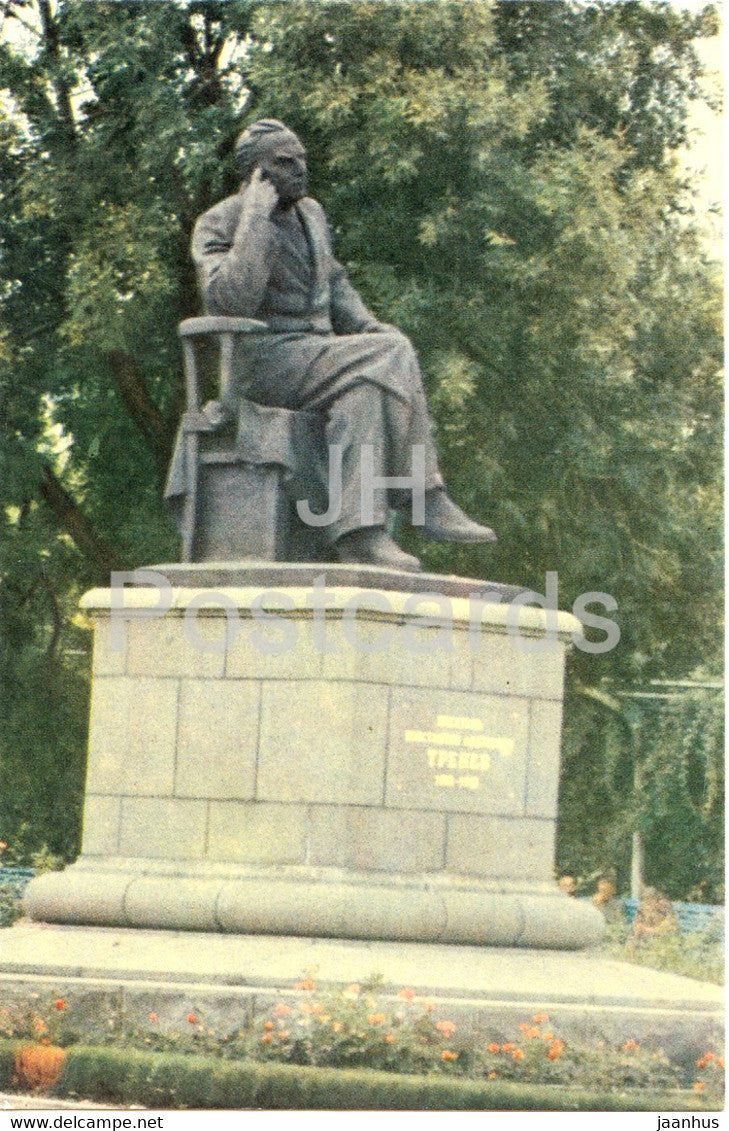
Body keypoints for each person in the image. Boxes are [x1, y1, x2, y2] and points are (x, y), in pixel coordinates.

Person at [190, 119, 496, 571]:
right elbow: (228, 301)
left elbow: (334, 283)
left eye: (302, 159)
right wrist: (255, 219)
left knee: (368, 388)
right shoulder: (220, 221)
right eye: (285, 162)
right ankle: (423, 496)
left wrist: (369, 326)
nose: (300, 169)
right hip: (262, 365)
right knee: (391, 354)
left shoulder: (311, 214)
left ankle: (359, 535)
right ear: (255, 172)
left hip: (318, 359)